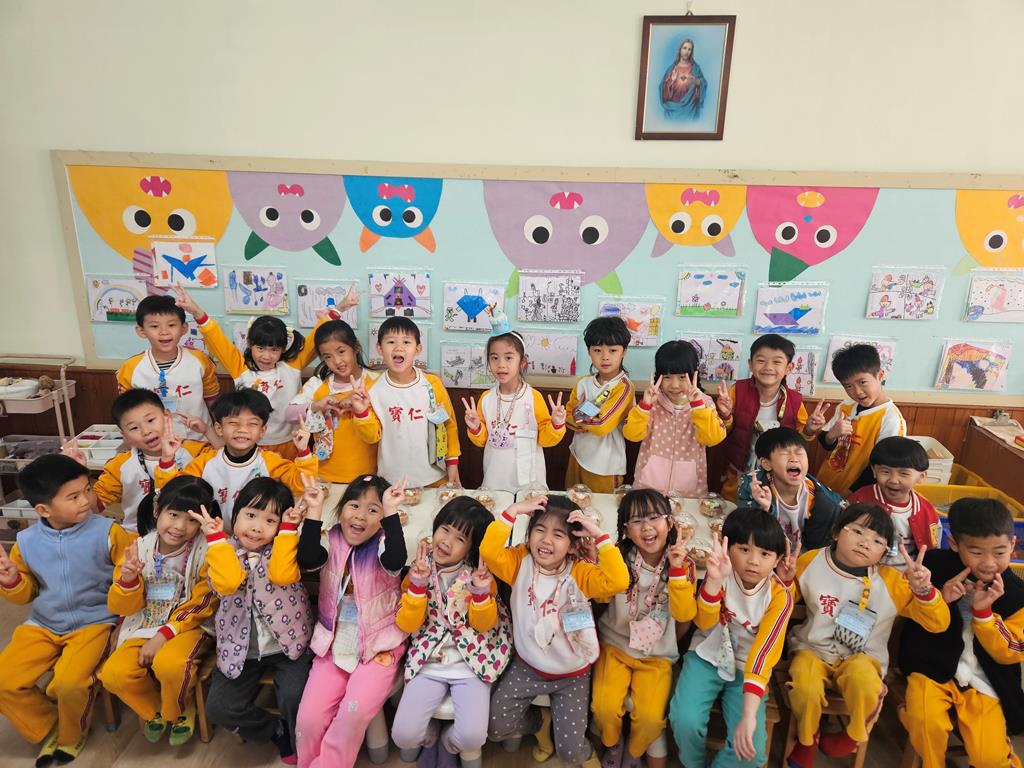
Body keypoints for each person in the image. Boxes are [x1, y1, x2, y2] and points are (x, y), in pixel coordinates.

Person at [784, 504, 949, 767]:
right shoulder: (811, 562)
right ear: (836, 532)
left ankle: (853, 735)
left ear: (884, 552)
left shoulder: (892, 581)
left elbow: (938, 623)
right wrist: (784, 581)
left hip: (863, 657)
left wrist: (924, 590)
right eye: (857, 531)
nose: (865, 543)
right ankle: (807, 740)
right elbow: (783, 603)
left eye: (877, 541)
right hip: (812, 650)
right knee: (804, 685)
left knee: (865, 683)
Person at [0, 454, 135, 765]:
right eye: (73, 497)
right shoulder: (26, 541)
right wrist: (11, 581)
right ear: (43, 510)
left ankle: (71, 736)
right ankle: (50, 726)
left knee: (68, 683)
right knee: (5, 680)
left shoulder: (108, 531)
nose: (86, 500)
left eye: (87, 489)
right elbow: (26, 594)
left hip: (94, 623)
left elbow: (126, 584)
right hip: (43, 624)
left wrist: (127, 581)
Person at [483, 495, 629, 768]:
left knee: (570, 754)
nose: (546, 540)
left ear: (573, 546)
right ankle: (539, 723)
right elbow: (489, 552)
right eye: (539, 530)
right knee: (495, 727)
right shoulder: (519, 562)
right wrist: (514, 510)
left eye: (558, 535)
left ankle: (584, 751)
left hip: (572, 675)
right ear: (529, 535)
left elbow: (619, 581)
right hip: (526, 667)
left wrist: (598, 535)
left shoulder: (581, 573)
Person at [194, 476, 315, 765]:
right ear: (235, 515)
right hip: (240, 649)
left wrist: (288, 530)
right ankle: (274, 730)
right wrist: (216, 539)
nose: (257, 527)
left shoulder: (284, 546)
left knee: (295, 698)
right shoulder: (220, 550)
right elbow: (228, 583)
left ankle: (298, 735)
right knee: (219, 707)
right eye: (250, 516)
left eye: (270, 520)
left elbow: (282, 574)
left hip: (289, 646)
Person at [898, 498, 1023, 767]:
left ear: (1013, 545)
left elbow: (1010, 653)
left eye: (999, 552)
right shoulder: (932, 567)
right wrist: (935, 597)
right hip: (930, 668)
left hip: (985, 681)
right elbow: (908, 614)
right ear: (954, 543)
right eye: (976, 552)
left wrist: (984, 614)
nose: (988, 563)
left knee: (989, 757)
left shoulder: (1017, 595)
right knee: (926, 723)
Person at [294, 474, 408, 768]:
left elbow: (396, 559)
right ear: (341, 509)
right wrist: (315, 510)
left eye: (373, 509)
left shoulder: (383, 542)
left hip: (378, 648)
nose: (360, 515)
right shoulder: (331, 538)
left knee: (351, 715)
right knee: (308, 720)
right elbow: (308, 558)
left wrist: (391, 512)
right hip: (332, 643)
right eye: (354, 505)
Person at [669, 508, 795, 768]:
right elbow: (703, 622)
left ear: (777, 559)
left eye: (765, 553)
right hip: (706, 656)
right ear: (728, 548)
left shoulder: (779, 597)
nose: (753, 561)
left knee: (752, 753)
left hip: (748, 670)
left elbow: (762, 656)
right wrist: (714, 583)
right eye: (744, 549)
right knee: (685, 720)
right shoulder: (721, 572)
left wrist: (749, 715)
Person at [98, 476, 219, 746]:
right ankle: (157, 711)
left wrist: (165, 634)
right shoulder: (139, 548)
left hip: (188, 626)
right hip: (144, 623)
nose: (179, 527)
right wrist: (128, 580)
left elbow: (204, 602)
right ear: (157, 510)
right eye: (173, 515)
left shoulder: (208, 550)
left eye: (191, 520)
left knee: (170, 664)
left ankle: (178, 710)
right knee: (113, 674)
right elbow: (121, 605)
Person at [391, 497, 510, 768]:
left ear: (471, 549)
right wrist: (417, 585)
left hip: (472, 661)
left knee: (472, 738)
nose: (446, 541)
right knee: (403, 736)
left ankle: (447, 742)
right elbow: (408, 625)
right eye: (445, 529)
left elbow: (484, 625)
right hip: (429, 659)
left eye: (460, 538)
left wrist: (480, 592)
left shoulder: (479, 576)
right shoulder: (419, 569)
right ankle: (431, 737)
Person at [173, 284, 356, 457]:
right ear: (249, 344)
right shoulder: (240, 368)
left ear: (283, 349)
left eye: (274, 350)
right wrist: (196, 311)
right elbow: (217, 339)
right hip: (251, 443)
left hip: (291, 442)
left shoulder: (291, 366)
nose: (266, 356)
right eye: (260, 348)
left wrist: (340, 307)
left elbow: (317, 335)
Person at [592, 489, 697, 768]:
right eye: (636, 521)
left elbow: (685, 614)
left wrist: (676, 571)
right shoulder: (618, 558)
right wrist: (594, 562)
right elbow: (600, 598)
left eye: (653, 518)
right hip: (615, 645)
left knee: (650, 717)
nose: (647, 527)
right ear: (626, 530)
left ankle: (634, 751)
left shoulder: (683, 563)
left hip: (658, 656)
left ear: (669, 522)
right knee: (603, 706)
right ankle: (613, 743)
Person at [155, 389, 317, 526]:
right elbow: (173, 494)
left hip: (257, 540)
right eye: (233, 423)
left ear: (262, 430)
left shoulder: (271, 462)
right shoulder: (205, 462)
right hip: (212, 537)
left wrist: (303, 452)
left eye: (252, 424)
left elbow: (301, 486)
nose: (242, 430)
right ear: (219, 428)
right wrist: (167, 458)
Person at [63, 388, 209, 532]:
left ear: (167, 416)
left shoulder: (195, 451)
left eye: (151, 420)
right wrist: (78, 475)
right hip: (136, 535)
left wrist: (207, 431)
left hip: (186, 534)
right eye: (134, 428)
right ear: (124, 435)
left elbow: (222, 460)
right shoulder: (120, 465)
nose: (146, 431)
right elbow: (95, 507)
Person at [464, 319, 566, 492]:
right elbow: (482, 441)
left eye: (509, 358)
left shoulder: (533, 397)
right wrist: (475, 428)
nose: (501, 365)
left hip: (529, 482)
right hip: (495, 478)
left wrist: (556, 424)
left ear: (523, 362)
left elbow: (545, 440)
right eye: (494, 358)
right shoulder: (486, 399)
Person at [715, 334, 820, 501]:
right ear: (750, 364)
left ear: (789, 368)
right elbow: (723, 430)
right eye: (761, 360)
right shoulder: (738, 390)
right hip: (739, 467)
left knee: (768, 508)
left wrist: (809, 429)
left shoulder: (794, 400)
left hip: (777, 474)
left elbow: (800, 439)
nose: (768, 367)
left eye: (777, 362)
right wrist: (725, 415)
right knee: (733, 505)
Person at [360, 317, 462, 487]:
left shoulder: (432, 384)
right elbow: (371, 437)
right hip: (391, 481)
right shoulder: (372, 389)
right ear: (379, 348)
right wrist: (361, 413)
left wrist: (452, 463)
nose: (398, 348)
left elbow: (448, 426)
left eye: (406, 342)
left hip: (435, 477)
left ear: (418, 349)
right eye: (391, 342)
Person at [623, 339, 726, 496]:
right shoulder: (651, 402)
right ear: (658, 376)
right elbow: (632, 435)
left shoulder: (704, 403)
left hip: (689, 491)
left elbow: (712, 439)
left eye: (682, 377)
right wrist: (645, 406)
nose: (674, 385)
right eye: (667, 377)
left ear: (694, 375)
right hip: (648, 487)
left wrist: (698, 407)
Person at [116, 295, 220, 441]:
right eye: (154, 326)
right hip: (155, 444)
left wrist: (219, 435)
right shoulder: (131, 368)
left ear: (183, 328)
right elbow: (127, 412)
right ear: (141, 331)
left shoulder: (199, 360)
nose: (164, 332)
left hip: (200, 440)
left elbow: (212, 400)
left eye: (171, 325)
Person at [288, 319, 380, 483]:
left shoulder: (376, 382)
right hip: (321, 477)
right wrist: (316, 405)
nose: (337, 361)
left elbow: (378, 433)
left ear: (356, 347)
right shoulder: (317, 384)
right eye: (328, 357)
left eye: (341, 351)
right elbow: (289, 414)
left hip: (364, 477)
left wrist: (359, 407)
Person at [815, 344, 906, 496]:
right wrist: (831, 435)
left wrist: (851, 493)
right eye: (848, 386)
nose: (857, 391)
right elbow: (826, 443)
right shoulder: (845, 407)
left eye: (862, 382)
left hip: (857, 495)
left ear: (880, 376)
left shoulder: (891, 419)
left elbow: (882, 467)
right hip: (826, 484)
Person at [739, 427, 845, 550]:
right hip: (767, 551)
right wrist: (764, 510)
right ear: (766, 463)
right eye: (785, 453)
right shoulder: (752, 487)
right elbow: (746, 532)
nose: (794, 458)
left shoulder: (825, 499)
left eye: (799, 453)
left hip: (805, 555)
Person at [846, 436, 941, 569]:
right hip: (863, 570)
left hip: (906, 574)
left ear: (921, 476)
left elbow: (932, 549)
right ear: (874, 471)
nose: (893, 480)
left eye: (904, 474)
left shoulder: (926, 510)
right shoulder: (860, 499)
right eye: (885, 471)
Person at [565, 317, 636, 493]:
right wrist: (585, 416)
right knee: (572, 503)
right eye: (597, 350)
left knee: (602, 507)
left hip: (606, 465)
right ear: (589, 351)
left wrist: (579, 415)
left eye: (613, 350)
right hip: (577, 455)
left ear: (624, 351)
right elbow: (567, 418)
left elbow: (603, 425)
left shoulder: (623, 387)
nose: (605, 357)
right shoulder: (583, 383)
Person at [660, 38, 707, 119]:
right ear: (680, 49)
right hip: (673, 111)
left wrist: (697, 82)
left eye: (689, 49)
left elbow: (704, 83)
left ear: (691, 52)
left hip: (690, 110)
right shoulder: (671, 69)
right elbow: (663, 90)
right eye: (684, 48)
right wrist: (670, 81)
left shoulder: (695, 68)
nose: (687, 52)